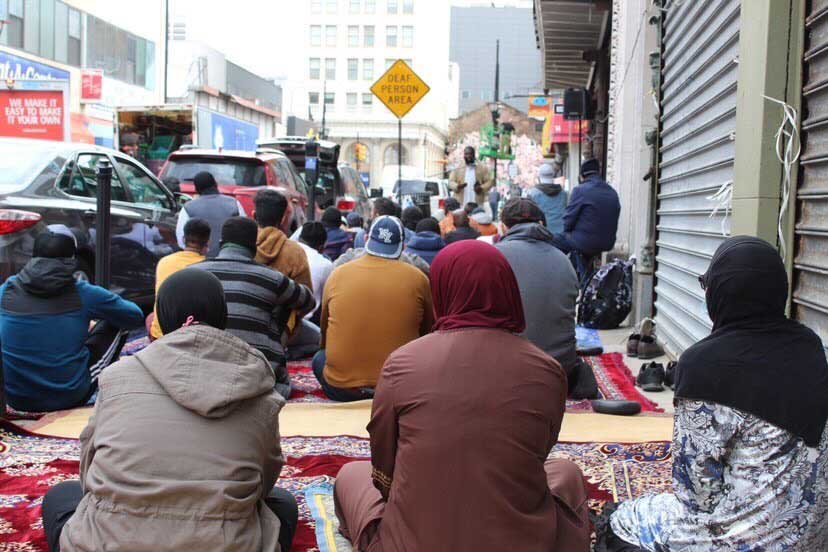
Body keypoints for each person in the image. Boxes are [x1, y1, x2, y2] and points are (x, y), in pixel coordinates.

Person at [333, 241, 591, 551]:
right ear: (508, 291)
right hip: (520, 541)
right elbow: (537, 453)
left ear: (441, 291)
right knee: (567, 473)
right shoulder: (547, 370)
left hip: (413, 542)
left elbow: (384, 469)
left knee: (351, 475)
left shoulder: (402, 363)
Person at [41, 268, 298, 552]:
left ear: (163, 318)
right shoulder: (259, 388)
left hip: (109, 543)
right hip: (224, 543)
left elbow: (90, 471)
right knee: (283, 505)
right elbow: (264, 480)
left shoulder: (118, 376)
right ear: (223, 316)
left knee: (61, 496)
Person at [606, 237, 828, 551]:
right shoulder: (810, 345)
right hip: (814, 537)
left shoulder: (704, 364)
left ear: (722, 292)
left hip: (748, 540)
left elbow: (696, 494)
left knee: (622, 521)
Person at [0, 229, 144, 412]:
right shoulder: (83, 292)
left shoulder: (7, 289)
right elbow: (134, 315)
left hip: (15, 398)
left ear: (33, 257)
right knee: (119, 322)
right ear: (71, 260)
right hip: (68, 395)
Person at [314, 216, 433, 402]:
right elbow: (428, 333)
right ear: (402, 247)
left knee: (319, 358)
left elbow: (325, 335)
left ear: (367, 240)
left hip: (344, 389)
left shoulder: (338, 274)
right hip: (399, 390)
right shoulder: (418, 278)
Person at [197, 217, 315, 399]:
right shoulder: (272, 278)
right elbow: (308, 301)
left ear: (221, 243)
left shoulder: (193, 273)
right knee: (287, 306)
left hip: (203, 374)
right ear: (254, 248)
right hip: (261, 380)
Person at [496, 198, 592, 397]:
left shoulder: (492, 257)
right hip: (558, 370)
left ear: (504, 227)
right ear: (541, 224)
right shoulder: (563, 260)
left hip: (506, 372)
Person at [553, 159, 620, 280]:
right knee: (579, 245)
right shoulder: (612, 191)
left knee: (554, 241)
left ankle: (561, 279)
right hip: (608, 242)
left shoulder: (580, 190)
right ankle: (586, 280)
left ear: (582, 176)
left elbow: (568, 220)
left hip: (586, 242)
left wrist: (568, 231)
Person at [148, 218, 211, 340]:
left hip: (160, 335)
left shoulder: (164, 262)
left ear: (183, 239)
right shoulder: (208, 266)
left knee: (150, 318)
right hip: (192, 336)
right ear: (208, 242)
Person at [285, 222, 334, 359]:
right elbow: (327, 302)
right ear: (322, 246)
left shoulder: (284, 250)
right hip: (298, 323)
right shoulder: (325, 264)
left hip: (272, 320)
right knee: (326, 342)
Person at [175, 171, 246, 257]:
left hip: (200, 263)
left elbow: (181, 240)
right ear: (216, 184)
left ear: (196, 190)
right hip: (231, 260)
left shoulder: (188, 208)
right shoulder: (234, 203)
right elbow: (244, 233)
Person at [254, 188, 313, 291]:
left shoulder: (242, 246)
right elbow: (306, 298)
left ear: (254, 216)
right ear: (283, 219)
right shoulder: (295, 252)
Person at [527, 162, 568, 234]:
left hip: (541, 235)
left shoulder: (532, 194)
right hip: (561, 234)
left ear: (539, 176)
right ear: (553, 175)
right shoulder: (563, 194)